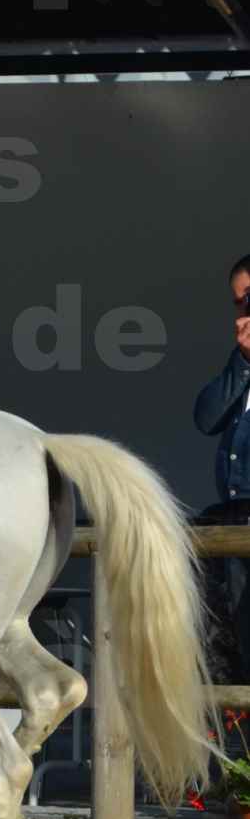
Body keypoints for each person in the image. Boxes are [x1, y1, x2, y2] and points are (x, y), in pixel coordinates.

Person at [193, 254, 250, 682]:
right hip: (237, 521)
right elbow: (207, 417)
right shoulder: (242, 367)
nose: (243, 313)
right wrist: (243, 361)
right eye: (239, 304)